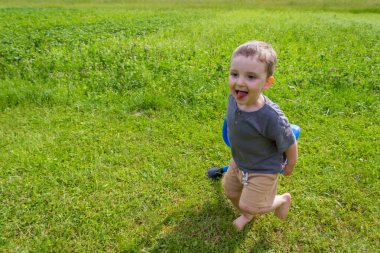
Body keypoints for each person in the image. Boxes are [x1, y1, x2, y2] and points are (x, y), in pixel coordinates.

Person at [222, 40, 298, 231]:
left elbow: (289, 140)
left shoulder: (270, 117)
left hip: (263, 167)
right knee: (230, 190)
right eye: (234, 74)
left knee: (253, 205)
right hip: (240, 159)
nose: (239, 82)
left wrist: (290, 163)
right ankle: (247, 215)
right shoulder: (234, 97)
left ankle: (280, 200)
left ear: (267, 82)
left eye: (251, 77)